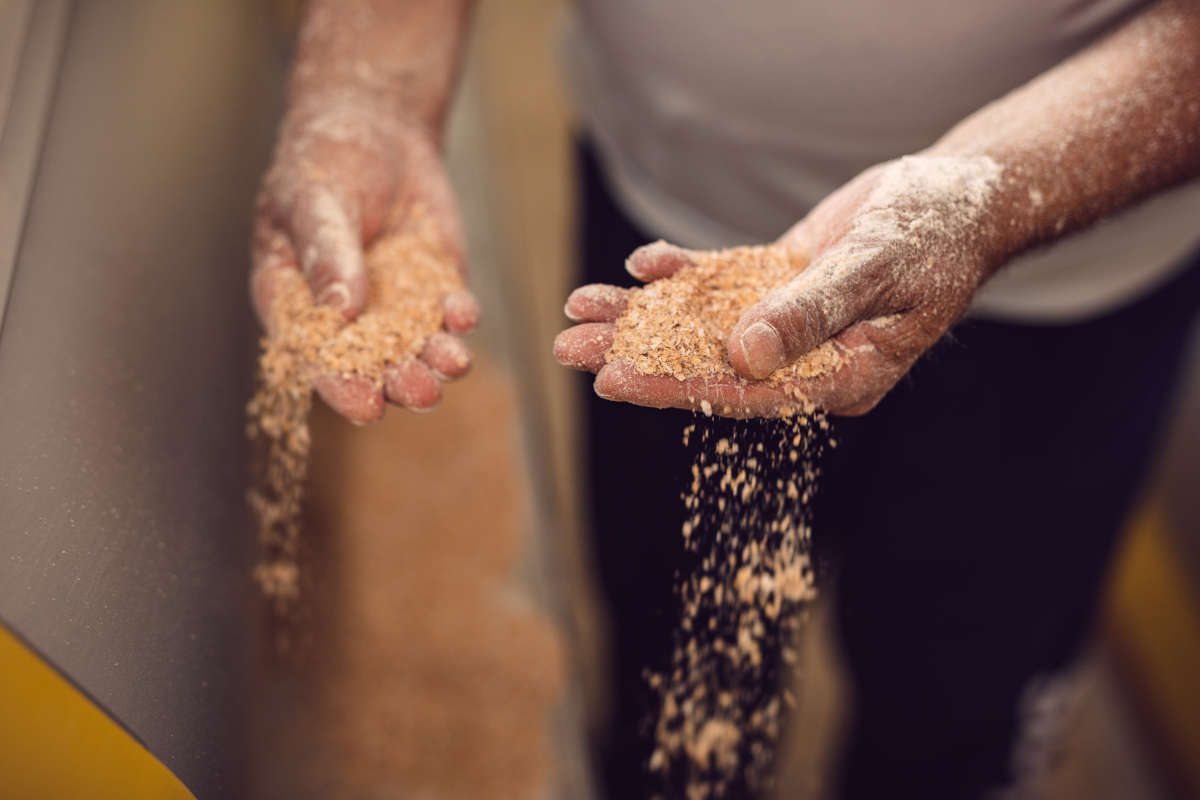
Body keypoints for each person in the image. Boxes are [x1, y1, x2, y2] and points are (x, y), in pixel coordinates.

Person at [250, 1, 1200, 797]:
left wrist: (997, 195)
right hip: (669, 236)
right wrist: (370, 85)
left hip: (1070, 286)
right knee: (680, 694)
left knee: (959, 721)